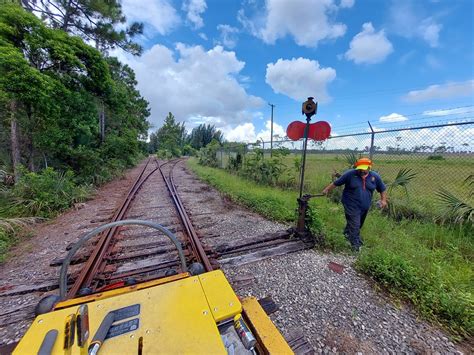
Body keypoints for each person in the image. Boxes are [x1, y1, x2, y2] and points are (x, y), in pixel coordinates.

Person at [322, 158, 387, 251]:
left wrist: (383, 200)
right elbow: (336, 183)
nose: (361, 170)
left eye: (364, 169)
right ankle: (355, 246)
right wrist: (326, 190)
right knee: (355, 225)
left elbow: (382, 189)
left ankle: (346, 236)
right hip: (350, 204)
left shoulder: (375, 177)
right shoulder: (350, 174)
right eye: (360, 168)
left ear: (369, 167)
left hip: (365, 206)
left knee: (357, 224)